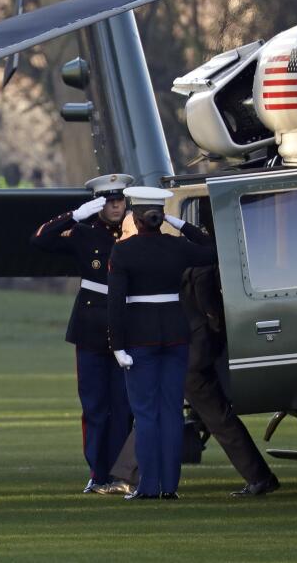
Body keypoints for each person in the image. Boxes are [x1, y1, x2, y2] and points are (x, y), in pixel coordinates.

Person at [107, 186, 217, 500]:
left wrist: (117, 345)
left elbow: (116, 303)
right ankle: (169, 487)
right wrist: (178, 221)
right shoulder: (176, 247)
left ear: (136, 218)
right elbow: (211, 248)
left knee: (145, 413)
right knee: (170, 412)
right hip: (175, 333)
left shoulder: (123, 251)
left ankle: (147, 486)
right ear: (158, 217)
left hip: (139, 338)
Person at [30, 173, 134, 495]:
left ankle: (121, 473)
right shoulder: (84, 233)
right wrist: (76, 215)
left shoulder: (134, 234)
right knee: (94, 405)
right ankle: (97, 473)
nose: (115, 206)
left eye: (119, 200)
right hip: (91, 326)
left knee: (124, 405)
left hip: (127, 326)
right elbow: (41, 239)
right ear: (99, 204)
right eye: (108, 201)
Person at [181, 262, 280, 496]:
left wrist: (214, 325)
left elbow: (206, 295)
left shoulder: (197, 262)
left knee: (218, 418)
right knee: (219, 417)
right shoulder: (194, 256)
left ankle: (260, 477)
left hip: (195, 352)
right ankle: (259, 476)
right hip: (201, 348)